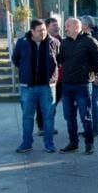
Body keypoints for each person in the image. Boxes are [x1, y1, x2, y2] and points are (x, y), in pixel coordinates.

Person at [57, 17, 98, 155]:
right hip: (67, 85)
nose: (65, 29)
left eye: (68, 26)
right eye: (65, 26)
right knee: (69, 116)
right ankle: (73, 143)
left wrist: (91, 73)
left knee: (85, 116)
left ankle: (89, 144)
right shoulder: (64, 43)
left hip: (83, 85)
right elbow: (61, 60)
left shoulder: (89, 41)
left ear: (77, 27)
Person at [12, 19, 59, 154]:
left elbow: (60, 60)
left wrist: (52, 77)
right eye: (40, 30)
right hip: (28, 87)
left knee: (48, 116)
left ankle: (49, 144)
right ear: (32, 31)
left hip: (47, 87)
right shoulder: (22, 43)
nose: (43, 33)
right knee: (27, 116)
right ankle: (27, 143)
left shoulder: (54, 42)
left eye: (44, 29)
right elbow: (16, 59)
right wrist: (26, 72)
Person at [80, 16, 98, 137]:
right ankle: (90, 128)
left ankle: (94, 129)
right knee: (89, 102)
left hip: (94, 76)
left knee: (92, 102)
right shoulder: (94, 35)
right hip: (90, 75)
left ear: (86, 25)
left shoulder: (95, 37)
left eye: (80, 24)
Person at [35, 16, 62, 136]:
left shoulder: (59, 41)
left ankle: (49, 125)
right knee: (42, 105)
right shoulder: (39, 42)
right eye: (54, 26)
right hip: (43, 80)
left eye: (57, 25)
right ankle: (42, 127)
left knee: (52, 105)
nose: (57, 28)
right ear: (46, 27)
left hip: (58, 80)